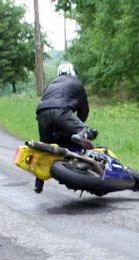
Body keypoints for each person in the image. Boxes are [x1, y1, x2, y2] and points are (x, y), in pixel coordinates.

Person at [34, 61, 98, 193]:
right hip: (61, 111)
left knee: (45, 147)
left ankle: (38, 182)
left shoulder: (51, 84)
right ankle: (80, 136)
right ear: (73, 71)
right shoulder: (76, 83)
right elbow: (83, 110)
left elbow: (47, 103)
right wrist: (76, 126)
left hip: (41, 113)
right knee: (88, 131)